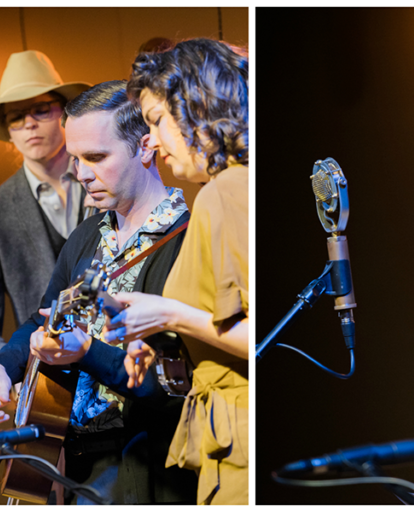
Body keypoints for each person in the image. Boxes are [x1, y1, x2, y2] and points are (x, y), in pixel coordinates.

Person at [0, 80, 197, 504]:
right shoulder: (87, 236)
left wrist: (88, 352)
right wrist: (3, 366)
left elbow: (177, 385)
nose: (80, 174)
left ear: (146, 145)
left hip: (150, 467)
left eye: (96, 157)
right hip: (81, 463)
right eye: (76, 158)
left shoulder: (186, 241)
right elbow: (40, 317)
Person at [114, 38, 249, 505]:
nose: (151, 139)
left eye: (156, 120)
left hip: (240, 444)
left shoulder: (226, 190)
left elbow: (261, 336)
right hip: (222, 437)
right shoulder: (225, 188)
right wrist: (168, 352)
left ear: (196, 108)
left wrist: (168, 315)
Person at [0, 50, 91, 375]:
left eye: (40, 109)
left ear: (64, 112)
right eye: (15, 117)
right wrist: (12, 369)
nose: (29, 123)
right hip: (48, 384)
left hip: (121, 368)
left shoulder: (103, 180)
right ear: (8, 131)